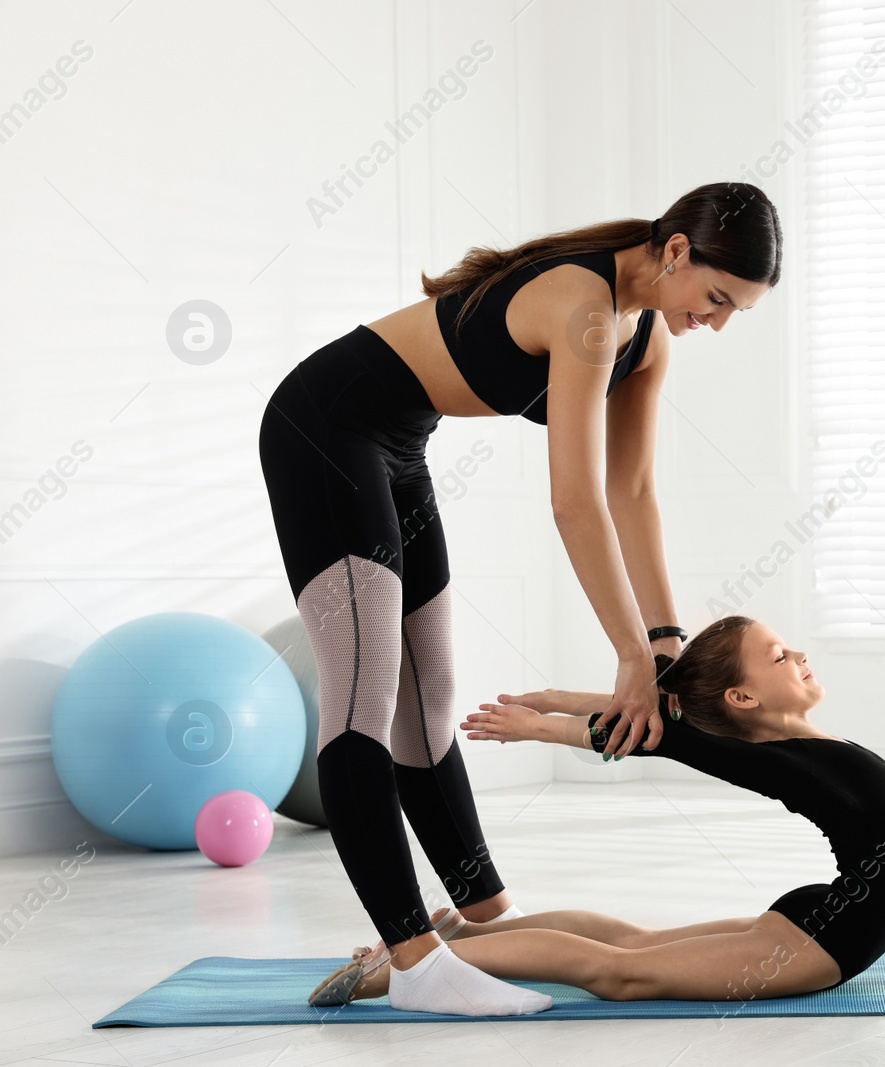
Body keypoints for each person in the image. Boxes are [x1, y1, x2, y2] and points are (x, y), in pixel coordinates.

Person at [260, 183, 781, 1016]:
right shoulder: (584, 303)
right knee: (363, 694)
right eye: (717, 299)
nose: (716, 322)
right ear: (678, 251)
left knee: (427, 701)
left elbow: (634, 490)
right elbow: (574, 500)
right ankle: (415, 964)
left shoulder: (647, 339)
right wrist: (626, 657)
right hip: (323, 428)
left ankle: (490, 923)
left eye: (735, 313)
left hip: (398, 445)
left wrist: (664, 639)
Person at [308, 616, 885, 1008]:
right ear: (742, 698)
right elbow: (663, 732)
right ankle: (408, 961)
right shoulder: (777, 758)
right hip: (830, 939)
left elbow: (668, 717)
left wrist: (557, 703)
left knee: (639, 943)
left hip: (826, 913)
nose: (796, 655)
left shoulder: (800, 748)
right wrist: (545, 726)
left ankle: (466, 935)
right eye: (779, 657)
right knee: (619, 971)